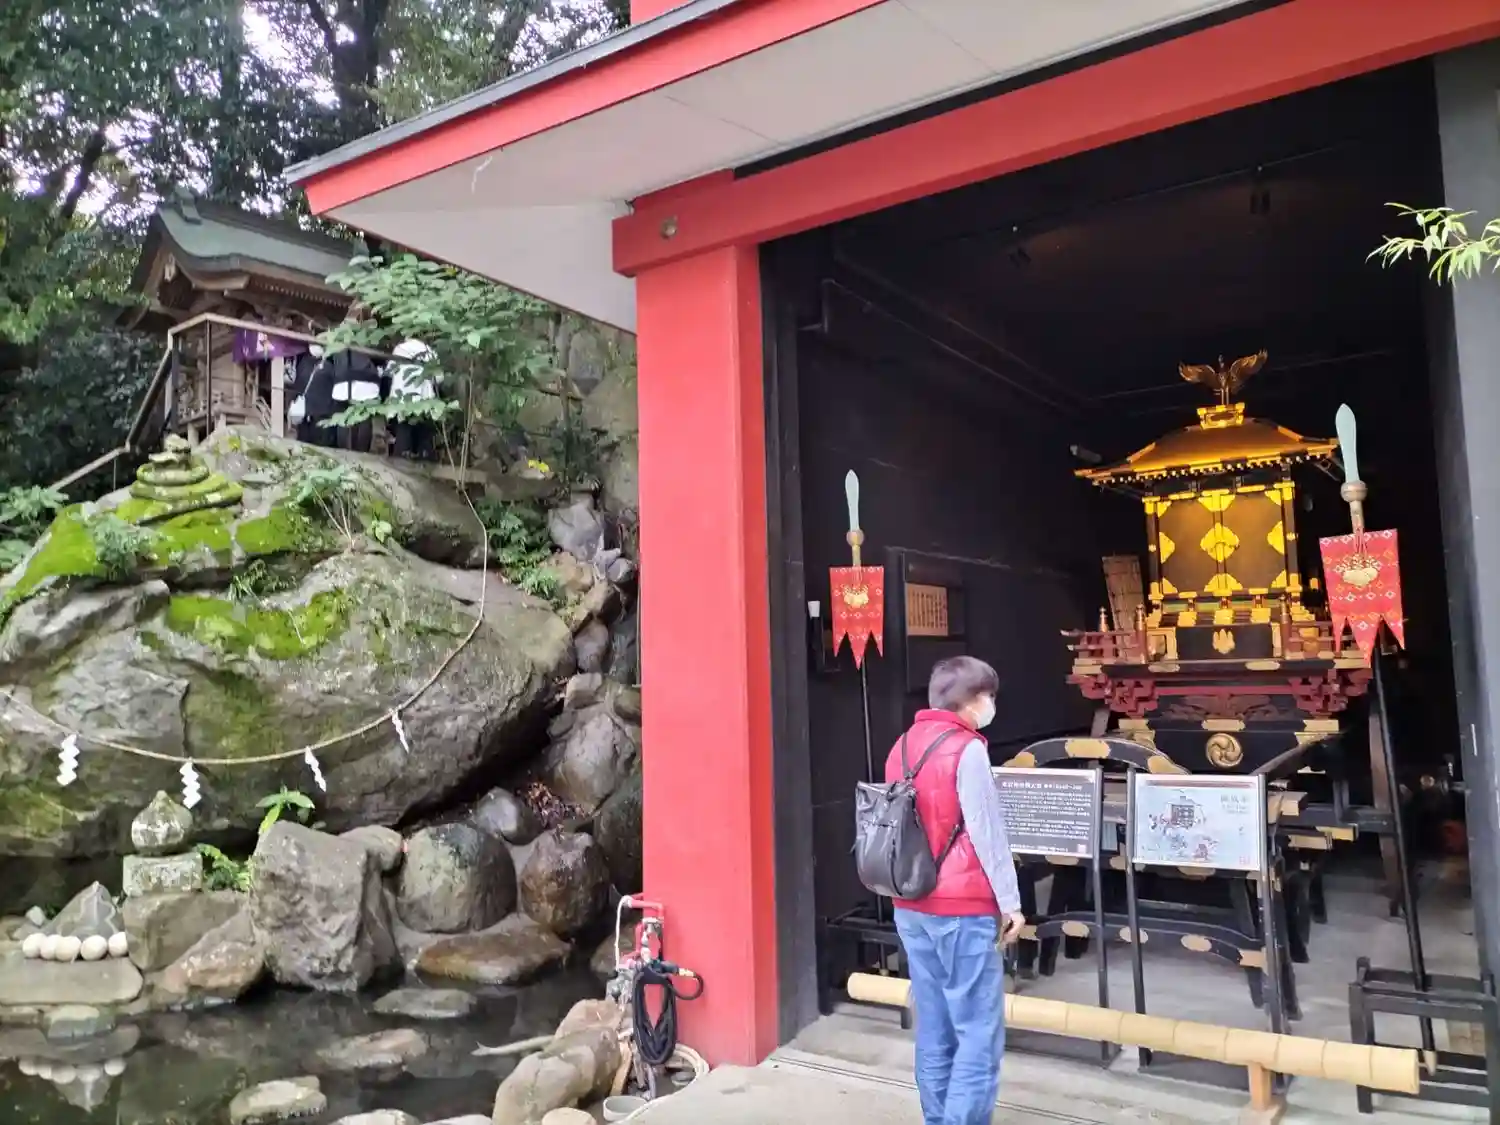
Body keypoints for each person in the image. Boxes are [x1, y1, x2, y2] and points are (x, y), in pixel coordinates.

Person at [887, 654, 1024, 1125]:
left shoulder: (903, 745)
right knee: (978, 1032)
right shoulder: (968, 749)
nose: (991, 705)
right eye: (989, 695)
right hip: (963, 908)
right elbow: (987, 832)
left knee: (934, 1027)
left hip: (911, 902)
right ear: (972, 699)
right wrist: (1011, 903)